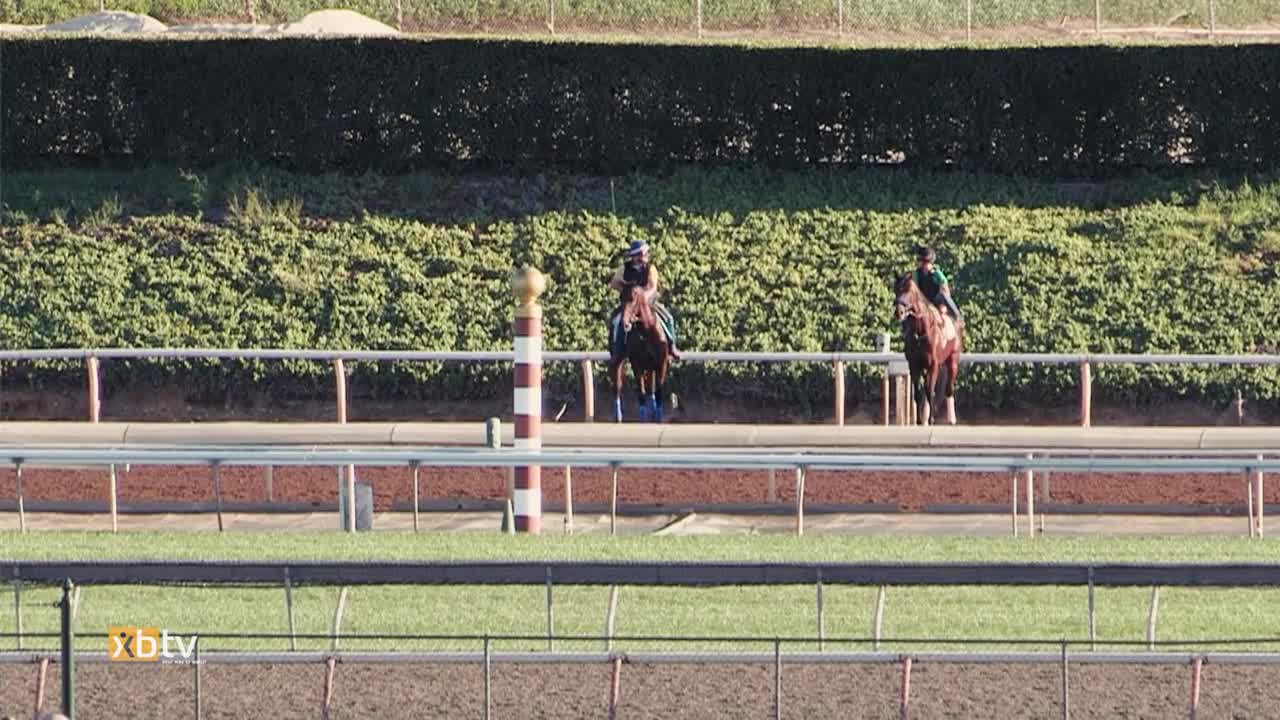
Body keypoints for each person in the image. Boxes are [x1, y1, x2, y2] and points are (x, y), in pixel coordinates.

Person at [608, 240, 680, 359]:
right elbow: (614, 283)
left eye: (644, 254)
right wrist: (627, 291)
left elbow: (653, 286)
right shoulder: (625, 268)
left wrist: (642, 297)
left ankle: (672, 346)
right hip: (630, 304)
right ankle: (618, 349)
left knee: (668, 318)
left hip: (649, 303)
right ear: (634, 256)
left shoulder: (650, 268)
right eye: (640, 254)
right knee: (617, 322)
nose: (643, 257)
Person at [914, 245, 963, 323]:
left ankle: (957, 316)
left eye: (925, 262)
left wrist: (942, 304)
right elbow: (915, 289)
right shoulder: (916, 274)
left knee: (944, 295)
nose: (923, 265)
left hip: (936, 300)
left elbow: (944, 288)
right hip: (922, 301)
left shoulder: (936, 273)